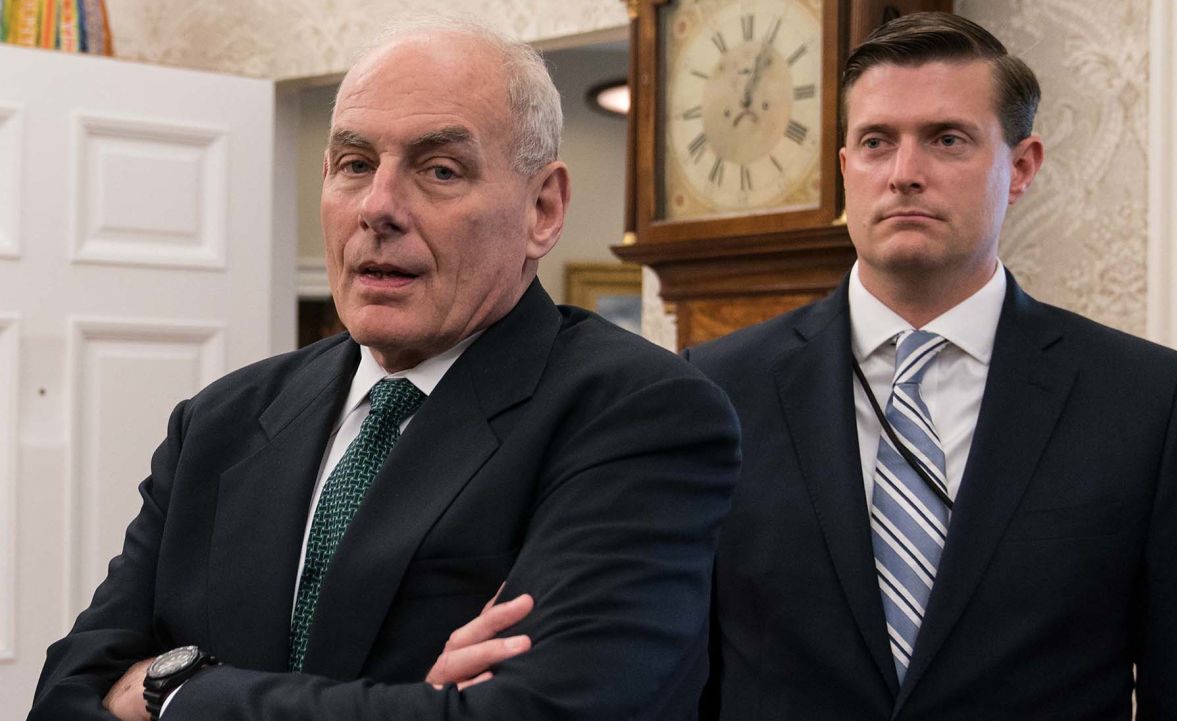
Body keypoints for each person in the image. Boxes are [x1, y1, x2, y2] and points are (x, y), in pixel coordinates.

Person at [28, 15, 740, 721]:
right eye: (355, 163)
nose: (378, 207)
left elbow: (545, 710)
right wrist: (414, 702)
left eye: (439, 169)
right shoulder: (221, 419)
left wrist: (176, 688)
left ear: (542, 210)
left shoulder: (639, 413)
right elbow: (66, 693)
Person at [685, 12, 1177, 721]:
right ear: (843, 169)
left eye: (946, 139)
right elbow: (678, 679)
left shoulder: (1147, 405)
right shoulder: (714, 391)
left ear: (1020, 168)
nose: (904, 174)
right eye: (875, 142)